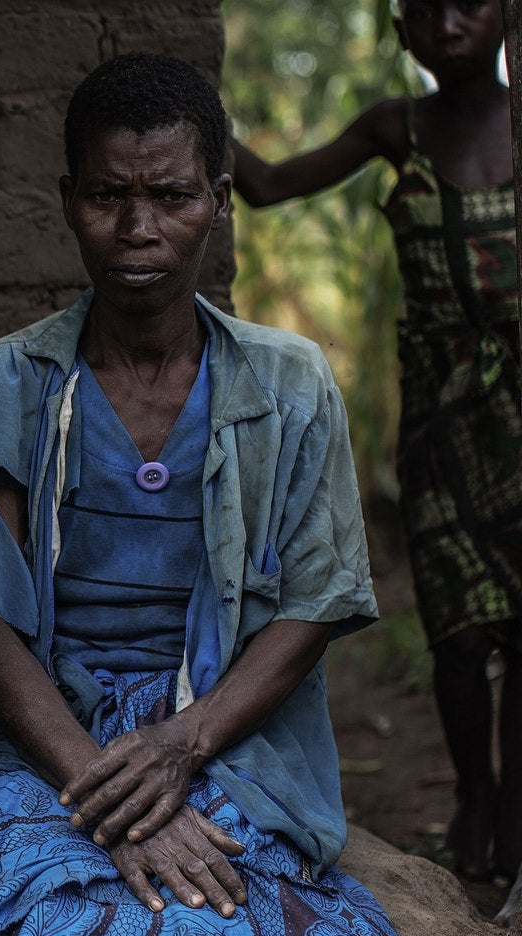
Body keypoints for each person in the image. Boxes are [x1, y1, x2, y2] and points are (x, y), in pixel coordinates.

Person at [0, 54, 419, 936]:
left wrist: (183, 746)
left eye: (170, 196)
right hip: (49, 752)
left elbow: (313, 603)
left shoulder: (288, 385)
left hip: (232, 738)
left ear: (219, 202)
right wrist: (107, 791)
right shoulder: (4, 386)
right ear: (67, 201)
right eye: (108, 196)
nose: (138, 228)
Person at [232, 0, 520, 884]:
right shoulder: (401, 129)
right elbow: (270, 186)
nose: (449, 24)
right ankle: (475, 798)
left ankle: (509, 823)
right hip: (442, 423)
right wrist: (193, 106)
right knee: (461, 634)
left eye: (471, 2)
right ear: (402, 34)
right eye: (425, 11)